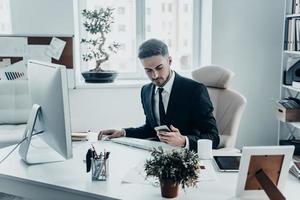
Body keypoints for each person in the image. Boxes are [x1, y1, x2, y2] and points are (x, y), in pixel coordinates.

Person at [98, 38, 219, 151]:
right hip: (158, 154)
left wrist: (184, 141)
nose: (154, 75)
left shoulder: (195, 90)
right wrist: (123, 132)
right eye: (148, 70)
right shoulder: (146, 91)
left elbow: (213, 137)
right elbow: (151, 129)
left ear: (169, 61)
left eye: (159, 68)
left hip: (188, 158)